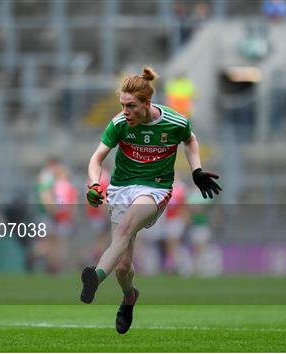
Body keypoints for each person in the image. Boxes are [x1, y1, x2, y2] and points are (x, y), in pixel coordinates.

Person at [81, 67, 221, 334]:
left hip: (154, 189)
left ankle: (95, 278)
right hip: (121, 189)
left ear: (147, 104)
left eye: (131, 106)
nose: (125, 111)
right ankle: (129, 297)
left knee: (123, 230)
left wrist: (197, 170)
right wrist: (94, 184)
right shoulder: (119, 123)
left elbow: (190, 141)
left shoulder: (175, 122)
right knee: (123, 266)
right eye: (122, 105)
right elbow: (96, 158)